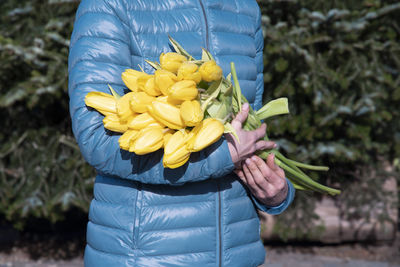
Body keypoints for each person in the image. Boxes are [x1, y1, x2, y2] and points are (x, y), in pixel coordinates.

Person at [68, 0, 295, 266]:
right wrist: (221, 156)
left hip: (238, 253)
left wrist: (274, 191)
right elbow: (96, 138)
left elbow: (248, 127)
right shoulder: (111, 5)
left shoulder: (242, 8)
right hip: (147, 256)